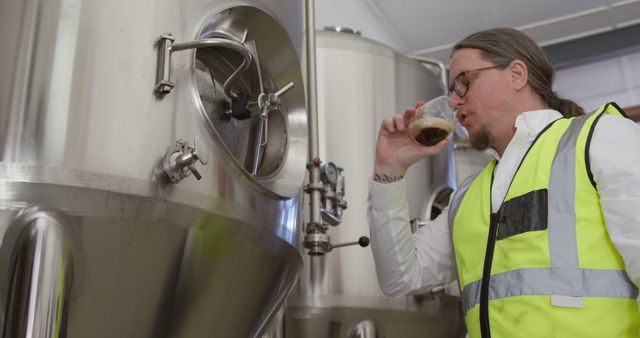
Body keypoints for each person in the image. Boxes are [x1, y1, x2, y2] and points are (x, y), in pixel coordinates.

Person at [367, 27, 640, 338]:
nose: (454, 102)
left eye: (463, 82)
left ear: (516, 74)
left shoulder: (599, 137)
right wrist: (389, 170)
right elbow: (399, 278)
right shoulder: (467, 196)